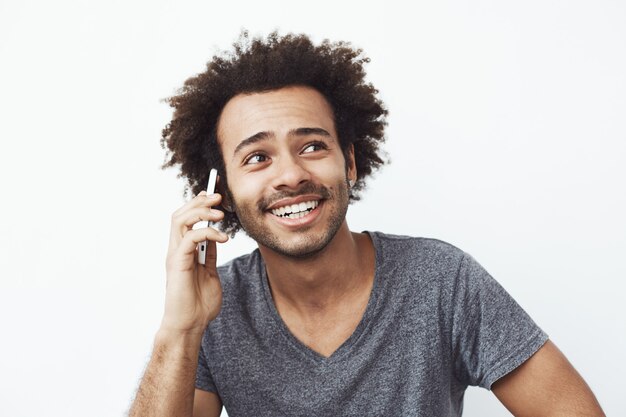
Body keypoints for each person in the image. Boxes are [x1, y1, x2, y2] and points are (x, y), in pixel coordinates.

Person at [129, 32, 605, 417]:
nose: (291, 175)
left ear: (350, 163)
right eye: (257, 157)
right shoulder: (216, 306)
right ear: (224, 194)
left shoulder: (441, 279)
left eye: (312, 146)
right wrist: (180, 330)